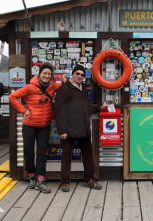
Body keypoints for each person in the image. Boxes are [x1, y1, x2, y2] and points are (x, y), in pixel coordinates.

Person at [8, 62, 62, 193]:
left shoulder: (53, 86)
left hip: (44, 125)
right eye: (44, 73)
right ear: (40, 74)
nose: (47, 76)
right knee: (28, 151)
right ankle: (31, 175)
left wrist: (66, 81)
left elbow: (64, 86)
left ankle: (41, 179)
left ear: (52, 75)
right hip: (29, 125)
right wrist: (23, 110)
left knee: (42, 153)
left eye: (49, 74)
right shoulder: (29, 87)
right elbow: (12, 96)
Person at [54, 64, 107, 192]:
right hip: (69, 129)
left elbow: (86, 107)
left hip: (83, 128)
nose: (80, 76)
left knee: (88, 156)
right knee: (66, 157)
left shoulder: (82, 88)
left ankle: (89, 179)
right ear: (72, 74)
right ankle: (65, 182)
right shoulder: (64, 89)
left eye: (82, 75)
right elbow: (58, 110)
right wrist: (61, 130)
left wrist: (98, 107)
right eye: (77, 73)